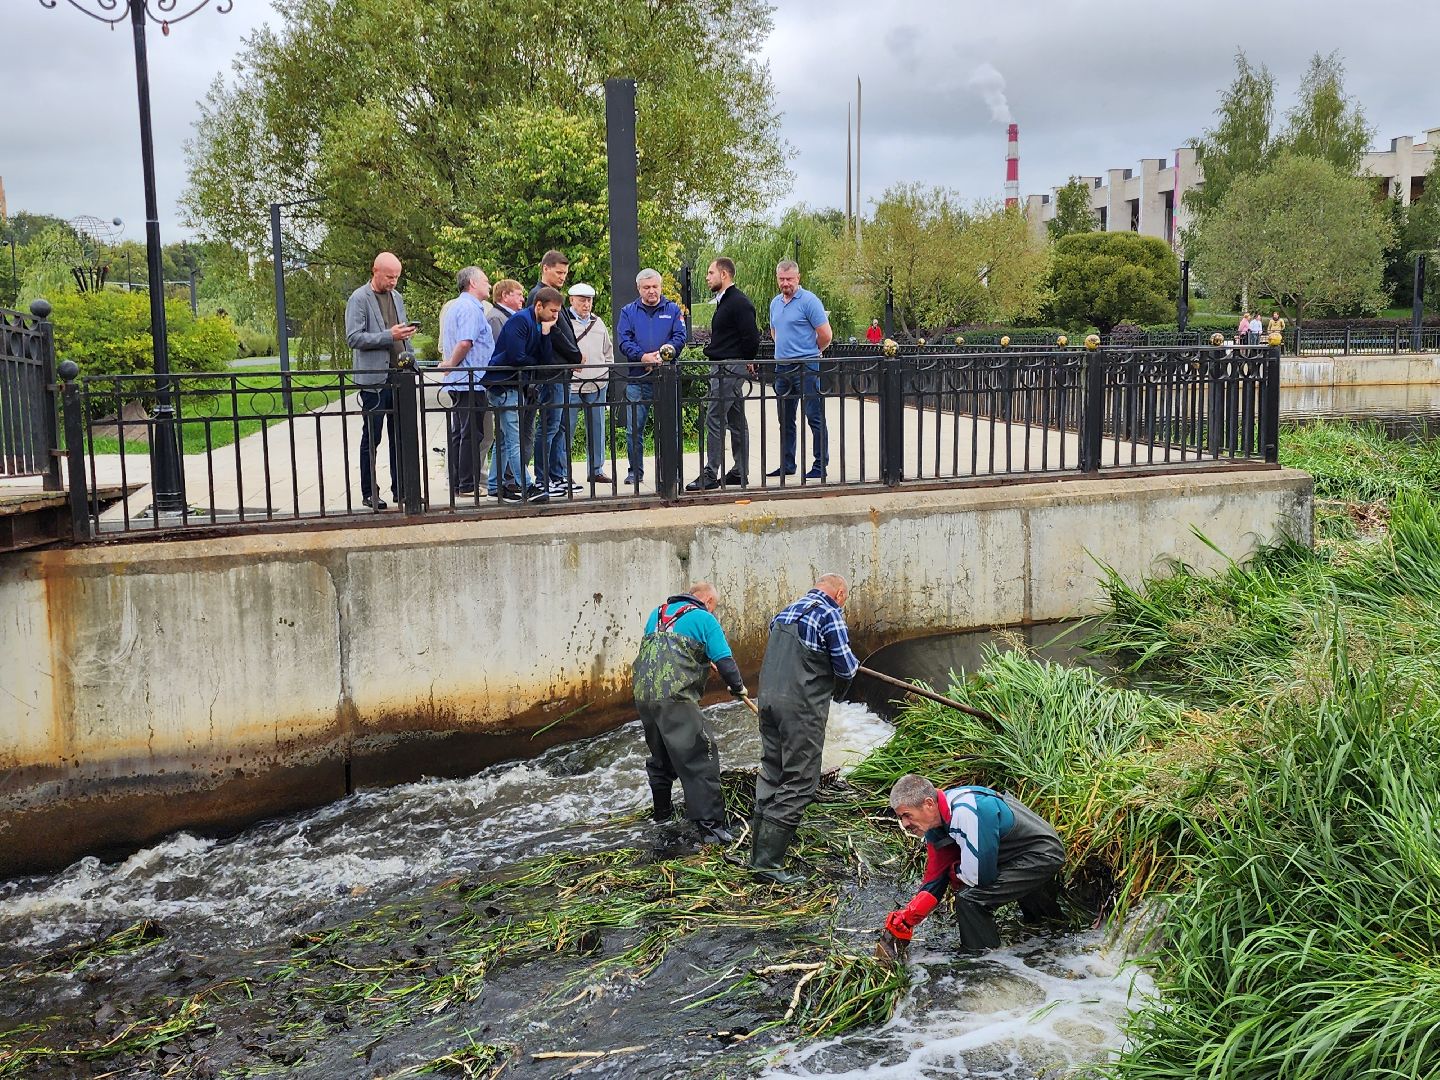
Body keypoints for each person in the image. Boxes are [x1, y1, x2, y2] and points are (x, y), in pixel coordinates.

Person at [749, 573, 858, 883]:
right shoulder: (829, 613)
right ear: (839, 593)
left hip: (769, 702)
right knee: (800, 781)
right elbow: (846, 668)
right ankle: (768, 864)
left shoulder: (785, 611)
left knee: (772, 771)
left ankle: (758, 854)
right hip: (800, 709)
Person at [882, 774, 1065, 955]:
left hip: (1043, 855)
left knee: (970, 899)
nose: (904, 824)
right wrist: (909, 917)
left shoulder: (965, 812)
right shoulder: (936, 822)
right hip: (1018, 855)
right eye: (900, 817)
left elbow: (979, 877)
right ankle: (1055, 937)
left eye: (907, 815)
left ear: (928, 804)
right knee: (1045, 928)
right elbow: (936, 877)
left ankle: (983, 962)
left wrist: (955, 872)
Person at [632, 582, 749, 845]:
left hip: (645, 695)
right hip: (676, 697)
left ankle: (662, 817)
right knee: (701, 756)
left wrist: (704, 659)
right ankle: (710, 829)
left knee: (660, 757)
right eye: (714, 606)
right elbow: (726, 662)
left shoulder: (657, 613)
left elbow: (664, 652)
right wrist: (738, 687)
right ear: (707, 600)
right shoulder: (704, 618)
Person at [345, 252, 416, 510]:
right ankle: (370, 492)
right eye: (389, 276)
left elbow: (400, 335)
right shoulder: (359, 298)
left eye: (397, 277)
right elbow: (354, 338)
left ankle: (403, 490)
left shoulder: (396, 297)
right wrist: (389, 335)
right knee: (372, 437)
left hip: (399, 375)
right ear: (375, 271)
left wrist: (407, 345)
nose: (393, 281)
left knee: (400, 436)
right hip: (374, 380)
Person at [483, 286, 565, 504]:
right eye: (553, 311)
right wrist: (536, 364)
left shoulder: (538, 323)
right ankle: (527, 486)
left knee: (503, 439)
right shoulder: (521, 321)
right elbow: (516, 356)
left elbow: (545, 358)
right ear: (539, 306)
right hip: (504, 385)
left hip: (513, 385)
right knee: (513, 438)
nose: (555, 316)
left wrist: (546, 332)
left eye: (557, 312)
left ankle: (494, 486)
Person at [688, 257, 761, 491]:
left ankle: (711, 472)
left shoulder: (738, 302)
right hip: (726, 365)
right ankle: (740, 471)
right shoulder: (726, 301)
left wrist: (747, 360)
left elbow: (751, 336)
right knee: (736, 420)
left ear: (724, 274)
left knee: (715, 416)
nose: (707, 277)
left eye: (711, 273)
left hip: (728, 367)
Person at [617, 269, 688, 486]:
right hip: (637, 380)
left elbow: (680, 337)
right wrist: (643, 357)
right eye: (646, 288)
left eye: (655, 286)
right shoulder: (628, 311)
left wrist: (664, 354)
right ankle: (635, 472)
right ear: (639, 289)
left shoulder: (673, 309)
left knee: (670, 429)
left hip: (666, 379)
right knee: (633, 431)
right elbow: (623, 339)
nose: (651, 291)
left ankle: (670, 471)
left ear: (661, 286)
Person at [768, 261, 833, 481]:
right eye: (782, 279)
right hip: (782, 367)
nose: (785, 283)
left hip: (806, 366)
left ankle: (819, 464)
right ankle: (787, 464)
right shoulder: (775, 303)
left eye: (790, 279)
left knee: (814, 415)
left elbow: (825, 334)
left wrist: (813, 351)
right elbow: (775, 331)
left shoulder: (809, 301)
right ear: (777, 278)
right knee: (785, 419)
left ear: (798, 277)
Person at [528, 252, 583, 496]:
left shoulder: (554, 297)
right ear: (545, 269)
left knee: (558, 426)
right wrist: (575, 356)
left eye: (565, 273)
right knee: (549, 426)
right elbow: (552, 333)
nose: (563, 277)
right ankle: (543, 478)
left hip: (561, 372)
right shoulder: (538, 296)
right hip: (550, 373)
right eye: (558, 272)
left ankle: (557, 475)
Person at [437, 266, 494, 497]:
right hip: (471, 379)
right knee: (471, 433)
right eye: (485, 281)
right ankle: (467, 485)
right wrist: (451, 362)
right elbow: (465, 343)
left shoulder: (456, 306)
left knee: (460, 432)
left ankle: (459, 482)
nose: (489, 285)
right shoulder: (470, 308)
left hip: (461, 380)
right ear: (472, 283)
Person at [567, 282, 615, 484]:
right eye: (582, 300)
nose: (586, 305)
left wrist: (604, 375)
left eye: (589, 300)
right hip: (572, 384)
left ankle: (596, 469)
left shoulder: (598, 322)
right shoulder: (565, 321)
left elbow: (608, 352)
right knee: (565, 428)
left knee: (597, 427)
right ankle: (562, 471)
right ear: (571, 301)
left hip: (597, 383)